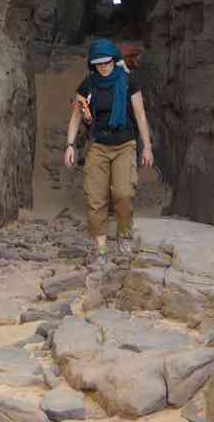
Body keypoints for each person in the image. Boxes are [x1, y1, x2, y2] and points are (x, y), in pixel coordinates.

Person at [64, 38, 154, 263]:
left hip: (125, 144)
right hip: (99, 146)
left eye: (106, 62)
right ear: (93, 64)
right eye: (98, 63)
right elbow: (76, 116)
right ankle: (101, 248)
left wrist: (147, 147)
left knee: (123, 193)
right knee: (96, 198)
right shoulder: (88, 85)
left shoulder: (127, 81)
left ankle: (123, 234)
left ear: (114, 60)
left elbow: (140, 114)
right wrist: (70, 145)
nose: (103, 66)